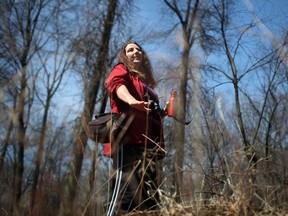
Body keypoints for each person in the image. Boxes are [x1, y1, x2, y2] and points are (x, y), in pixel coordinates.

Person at [106, 41, 166, 215]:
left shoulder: (145, 83)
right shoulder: (121, 70)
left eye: (138, 49)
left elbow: (147, 111)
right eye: (130, 50)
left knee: (150, 197)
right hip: (127, 140)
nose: (136, 52)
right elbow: (116, 85)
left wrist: (162, 112)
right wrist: (131, 100)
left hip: (148, 145)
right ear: (125, 56)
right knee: (127, 195)